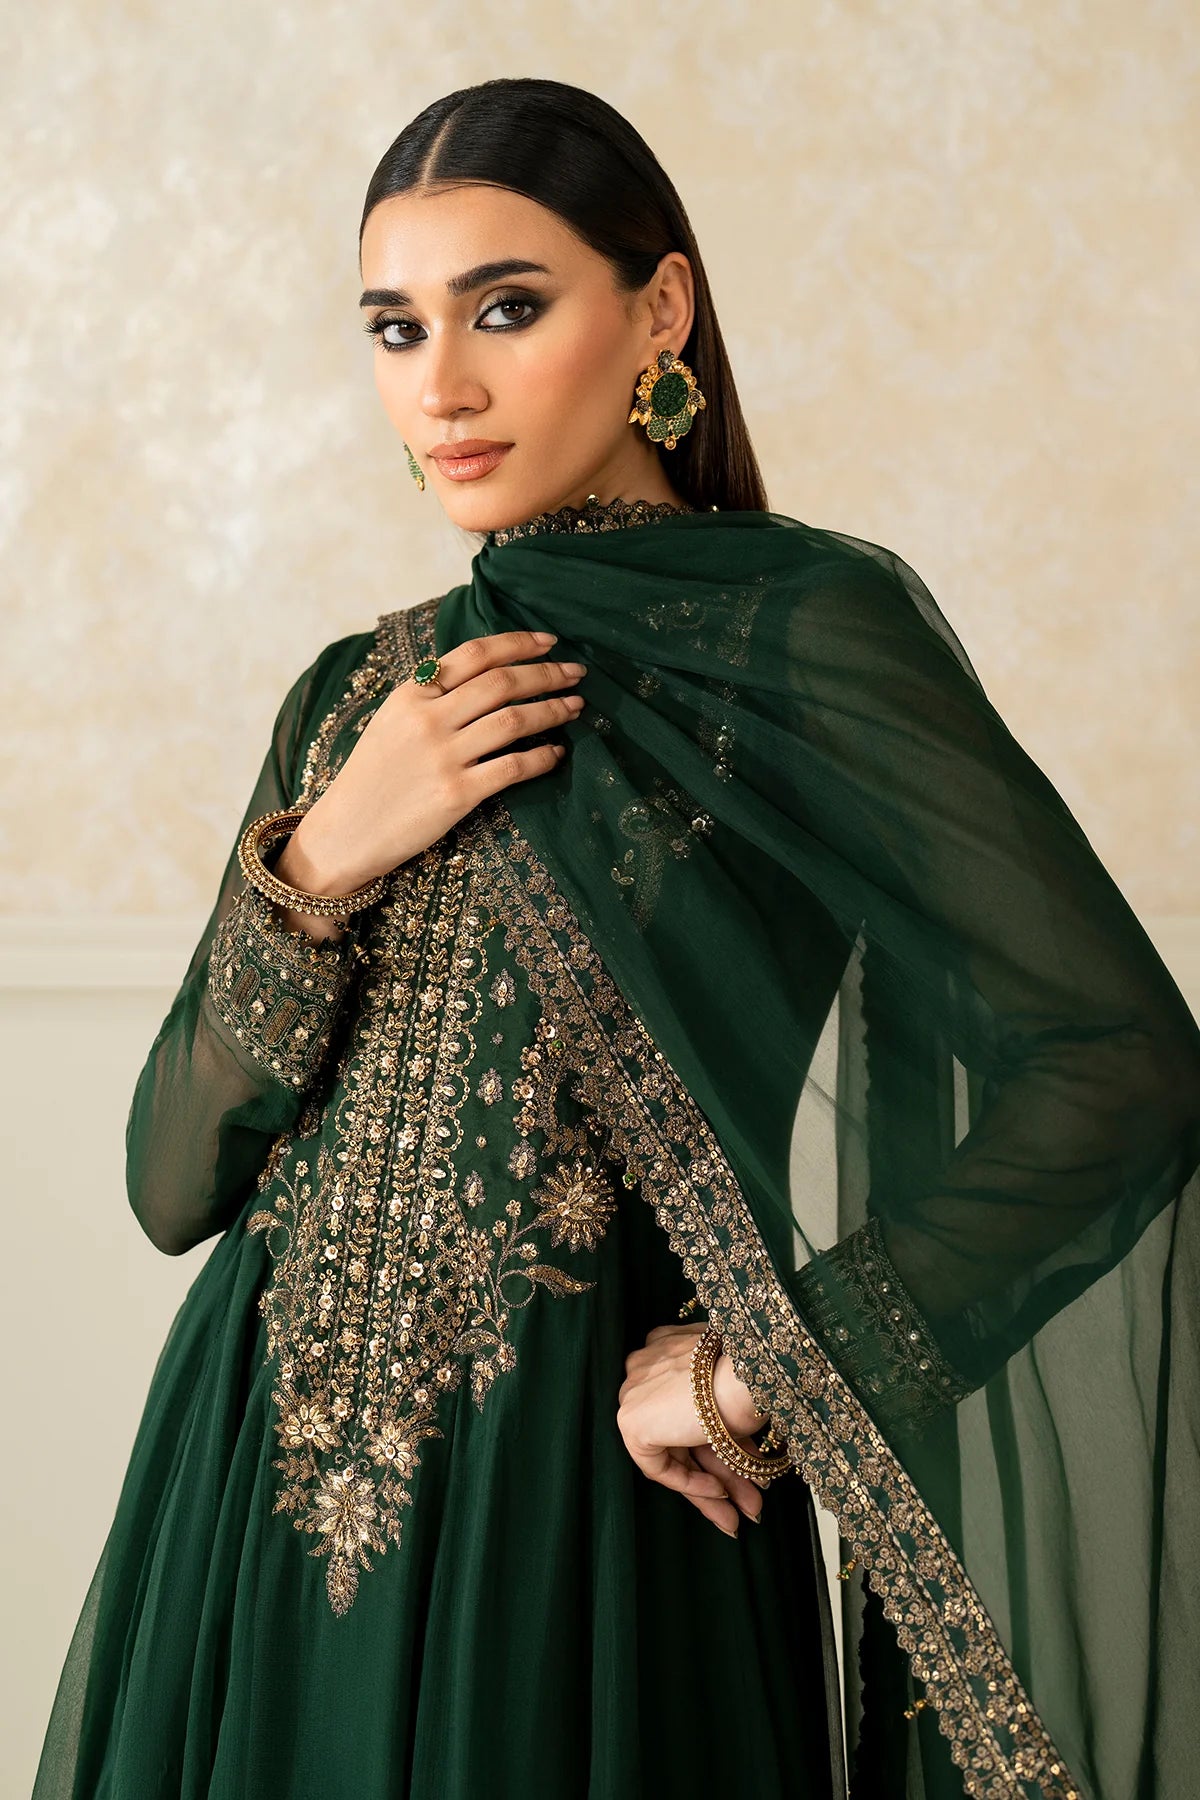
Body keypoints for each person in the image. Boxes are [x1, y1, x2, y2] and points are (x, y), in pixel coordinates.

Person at [31, 76, 1200, 1800]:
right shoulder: (354, 701)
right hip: (245, 1509)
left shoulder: (805, 638)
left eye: (508, 308)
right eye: (393, 327)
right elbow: (167, 1183)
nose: (442, 387)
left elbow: (1122, 1069)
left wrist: (765, 1375)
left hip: (574, 1531)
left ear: (658, 308)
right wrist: (333, 843)